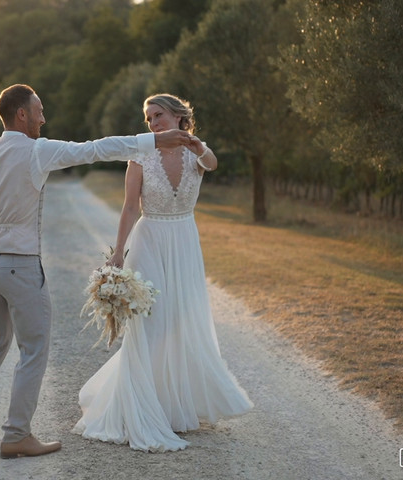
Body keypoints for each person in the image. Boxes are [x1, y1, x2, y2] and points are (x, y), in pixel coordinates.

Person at [0, 84, 194, 459]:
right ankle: (16, 434)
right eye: (39, 111)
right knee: (33, 349)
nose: (43, 118)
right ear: (22, 114)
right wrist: (153, 141)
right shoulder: (38, 150)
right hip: (19, 266)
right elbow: (95, 149)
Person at [73, 94, 253, 452]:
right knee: (152, 323)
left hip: (184, 242)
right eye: (148, 118)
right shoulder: (140, 154)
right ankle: (143, 405)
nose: (152, 123)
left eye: (158, 115)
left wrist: (196, 144)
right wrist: (119, 254)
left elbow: (213, 164)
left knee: (181, 320)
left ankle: (174, 407)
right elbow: (128, 208)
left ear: (177, 115)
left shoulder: (198, 153)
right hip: (149, 239)